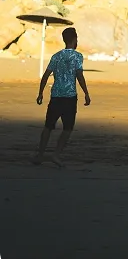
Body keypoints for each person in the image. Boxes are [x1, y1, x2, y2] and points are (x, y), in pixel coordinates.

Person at [33, 26, 89, 167]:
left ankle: (40, 155)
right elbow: (79, 76)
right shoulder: (77, 56)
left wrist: (40, 93)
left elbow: (45, 76)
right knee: (67, 128)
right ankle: (56, 155)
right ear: (74, 40)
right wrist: (86, 93)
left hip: (56, 96)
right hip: (70, 97)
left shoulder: (56, 56)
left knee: (48, 127)